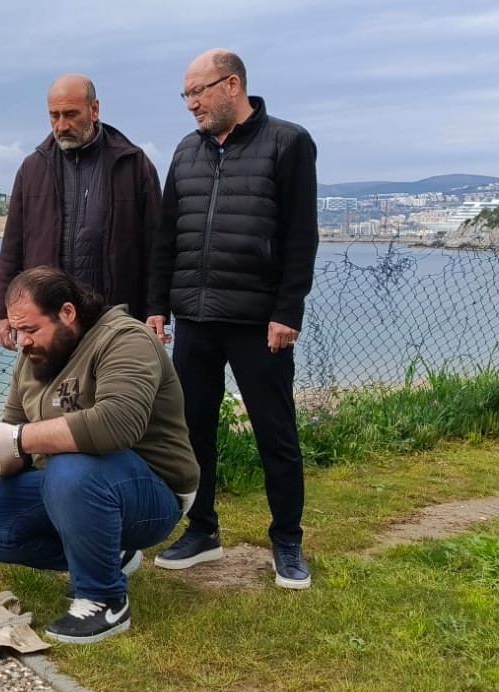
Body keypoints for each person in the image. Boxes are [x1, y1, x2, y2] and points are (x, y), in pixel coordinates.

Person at [146, 49, 320, 590]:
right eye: (186, 94)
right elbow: (166, 234)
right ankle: (202, 531)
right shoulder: (186, 150)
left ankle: (287, 542)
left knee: (275, 432)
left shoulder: (288, 143)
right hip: (195, 319)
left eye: (200, 91)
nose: (192, 103)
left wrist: (287, 310)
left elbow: (299, 236)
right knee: (193, 430)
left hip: (257, 321)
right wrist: (157, 304)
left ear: (232, 85)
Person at [0, 266, 197, 644]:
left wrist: (19, 438)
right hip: (76, 486)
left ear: (67, 313)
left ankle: (104, 599)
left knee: (72, 462)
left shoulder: (125, 339)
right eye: (17, 331)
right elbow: (16, 434)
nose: (22, 342)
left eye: (31, 330)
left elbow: (118, 423)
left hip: (154, 492)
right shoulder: (33, 359)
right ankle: (111, 557)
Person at [0, 73, 163, 350]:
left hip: (116, 317)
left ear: (94, 110)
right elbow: (13, 245)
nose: (62, 125)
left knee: (111, 393)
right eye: (54, 116)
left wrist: (157, 309)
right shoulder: (32, 169)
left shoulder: (133, 165)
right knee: (49, 395)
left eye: (71, 114)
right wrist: (2, 310)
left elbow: (156, 246)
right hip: (48, 318)